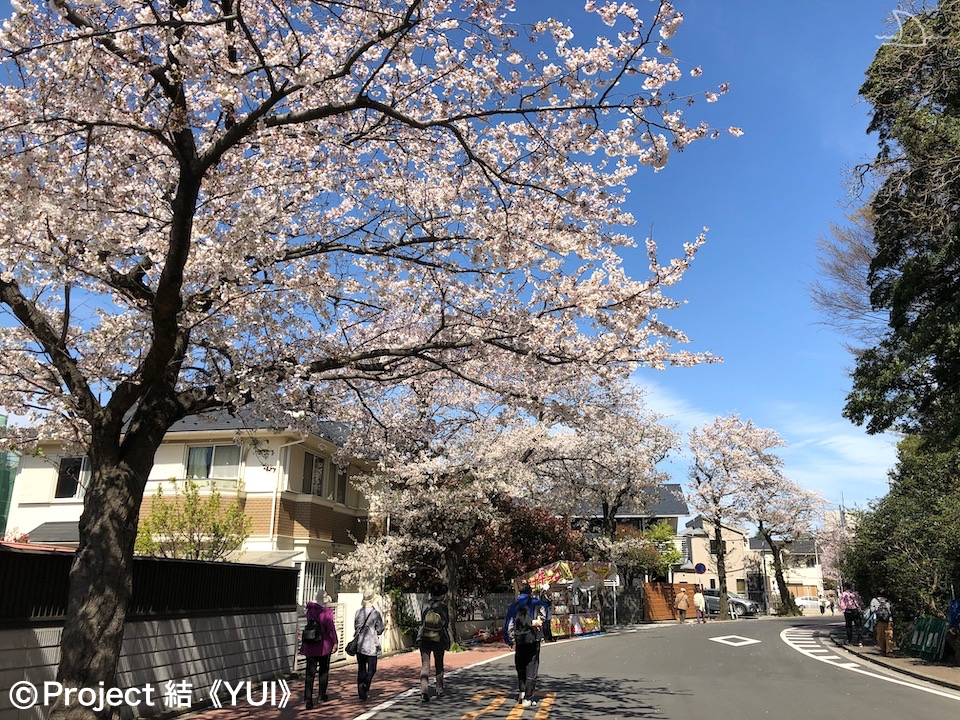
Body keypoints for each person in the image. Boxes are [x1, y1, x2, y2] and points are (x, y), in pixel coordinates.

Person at [503, 583, 549, 708]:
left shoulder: (513, 606)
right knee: (532, 668)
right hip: (533, 640)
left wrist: (510, 640)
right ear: (530, 592)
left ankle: (522, 692)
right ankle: (528, 698)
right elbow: (545, 618)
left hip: (519, 640)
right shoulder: (538, 603)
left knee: (521, 666)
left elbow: (509, 625)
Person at [300, 595, 338, 708]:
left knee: (310, 673)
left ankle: (308, 698)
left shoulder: (309, 611)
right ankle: (321, 695)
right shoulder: (327, 612)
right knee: (323, 670)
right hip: (323, 646)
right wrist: (335, 642)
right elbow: (331, 629)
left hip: (310, 645)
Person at [417, 583, 450, 703]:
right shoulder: (442, 606)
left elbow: (422, 620)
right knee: (439, 664)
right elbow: (445, 623)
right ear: (442, 595)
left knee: (425, 666)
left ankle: (424, 692)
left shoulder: (425, 604)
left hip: (424, 637)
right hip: (438, 638)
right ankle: (439, 689)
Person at [354, 591, 385, 701]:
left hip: (359, 645)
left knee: (361, 669)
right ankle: (365, 684)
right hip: (371, 645)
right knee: (372, 669)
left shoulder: (358, 612)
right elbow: (380, 629)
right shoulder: (375, 613)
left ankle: (361, 691)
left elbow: (355, 627)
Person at [869, 591, 895, 656]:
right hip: (889, 620)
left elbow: (872, 610)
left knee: (880, 636)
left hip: (879, 620)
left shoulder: (874, 600)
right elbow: (892, 610)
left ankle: (883, 650)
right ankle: (889, 650)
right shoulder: (888, 600)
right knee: (889, 635)